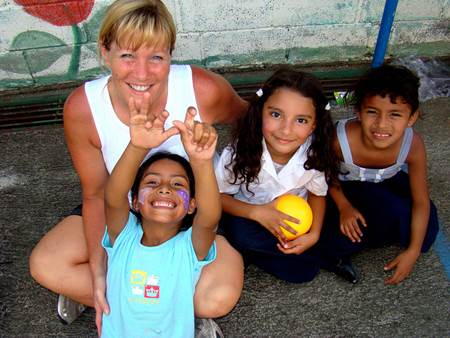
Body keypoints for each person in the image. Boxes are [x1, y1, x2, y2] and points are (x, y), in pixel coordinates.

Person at [28, 0, 246, 333]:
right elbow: (97, 194)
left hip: (189, 213)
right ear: (105, 51)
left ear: (170, 54)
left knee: (218, 298)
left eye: (156, 57)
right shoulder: (82, 108)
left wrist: (262, 187)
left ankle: (123, 297)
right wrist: (101, 273)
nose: (142, 73)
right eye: (128, 55)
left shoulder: (201, 89)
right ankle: (111, 295)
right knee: (45, 264)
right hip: (124, 212)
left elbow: (251, 123)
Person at [102, 95, 220, 337]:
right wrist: (137, 147)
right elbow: (113, 196)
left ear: (191, 206)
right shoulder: (123, 238)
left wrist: (200, 162)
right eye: (152, 181)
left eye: (178, 185)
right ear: (135, 201)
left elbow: (209, 219)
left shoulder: (188, 249)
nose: (164, 188)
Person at [214, 68, 339, 283]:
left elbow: (318, 193)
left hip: (295, 222)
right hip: (250, 215)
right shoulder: (239, 151)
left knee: (313, 261)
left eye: (301, 120)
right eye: (276, 114)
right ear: (260, 111)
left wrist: (314, 234)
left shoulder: (315, 154)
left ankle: (259, 253)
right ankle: (310, 256)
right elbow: (218, 196)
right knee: (240, 234)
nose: (286, 130)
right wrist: (257, 213)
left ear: (313, 126)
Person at [319, 64, 439, 285]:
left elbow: (421, 201)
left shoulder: (413, 145)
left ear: (412, 117)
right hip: (345, 190)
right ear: (358, 112)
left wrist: (412, 252)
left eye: (395, 114)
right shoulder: (338, 140)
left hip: (386, 183)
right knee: (329, 237)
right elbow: (325, 176)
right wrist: (344, 206)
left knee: (426, 233)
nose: (382, 124)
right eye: (372, 112)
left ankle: (373, 232)